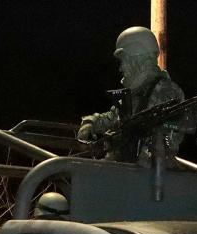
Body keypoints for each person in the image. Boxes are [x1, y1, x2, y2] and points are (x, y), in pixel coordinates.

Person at [76, 26, 190, 162]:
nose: (121, 68)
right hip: (125, 168)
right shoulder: (134, 94)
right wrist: (91, 122)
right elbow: (114, 116)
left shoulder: (167, 92)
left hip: (146, 175)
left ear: (137, 59)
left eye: (124, 60)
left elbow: (169, 139)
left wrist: (145, 157)